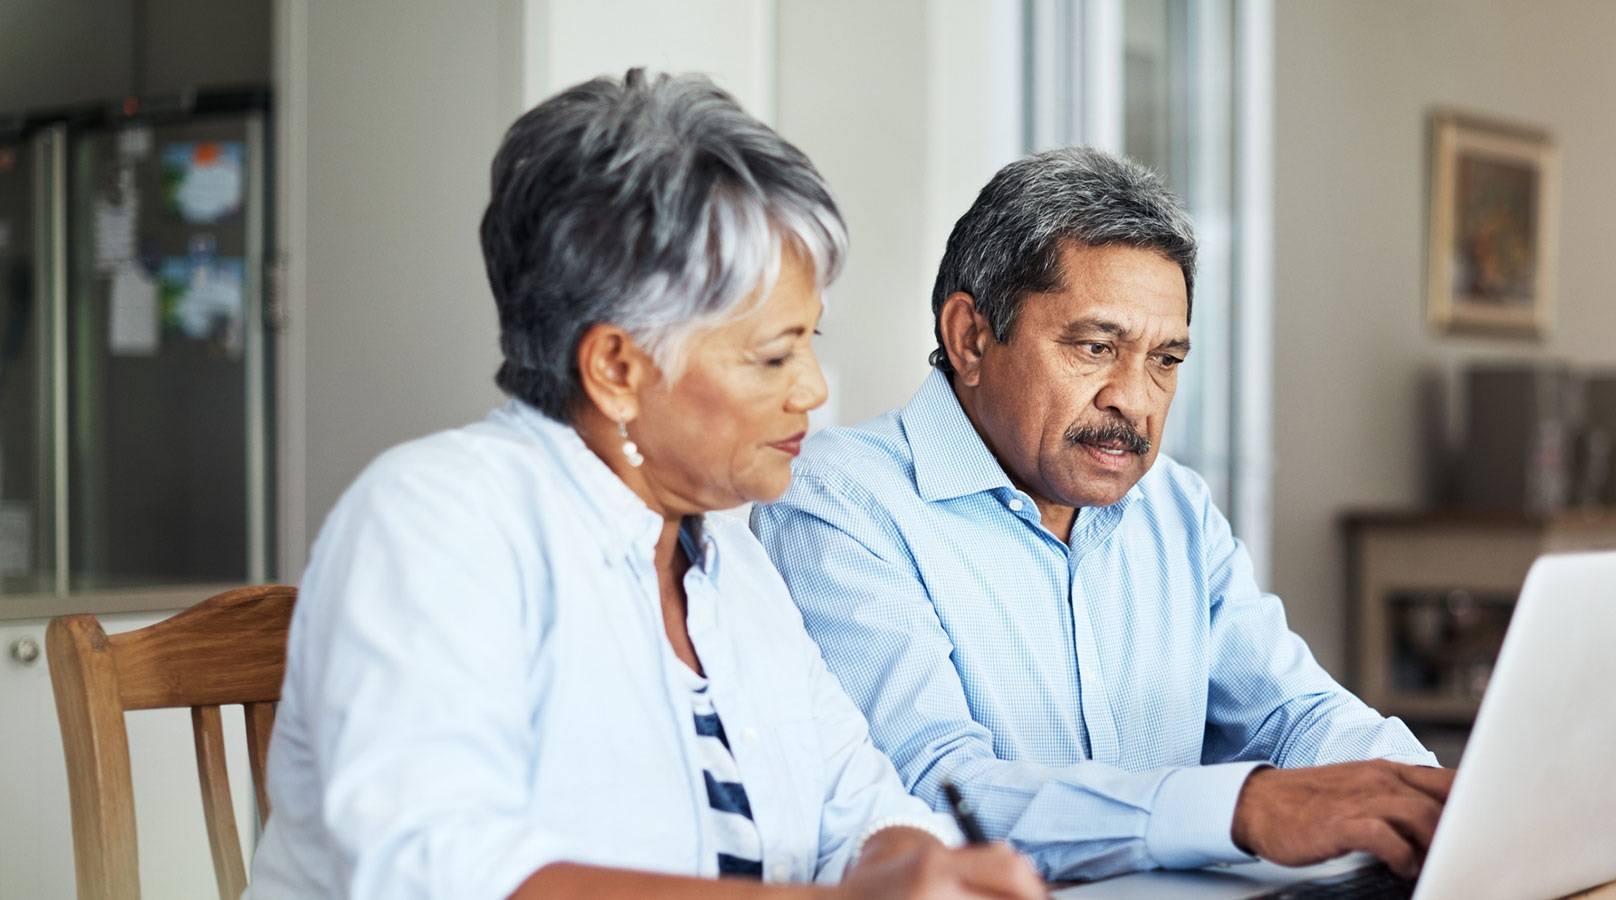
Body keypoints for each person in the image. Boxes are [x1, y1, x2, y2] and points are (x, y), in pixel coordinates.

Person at [247, 70, 1044, 900]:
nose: (812, 389)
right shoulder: (434, 523)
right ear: (617, 369)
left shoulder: (728, 555)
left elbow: (863, 807)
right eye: (773, 355)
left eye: (811, 341)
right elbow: (439, 871)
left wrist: (916, 866)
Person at [751, 147, 1452, 883]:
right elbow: (931, 791)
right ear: (970, 338)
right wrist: (1241, 808)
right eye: (1096, 347)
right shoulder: (838, 500)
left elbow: (1296, 716)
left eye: (1166, 360)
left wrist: (1427, 794)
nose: (1136, 399)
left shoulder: (1173, 505)